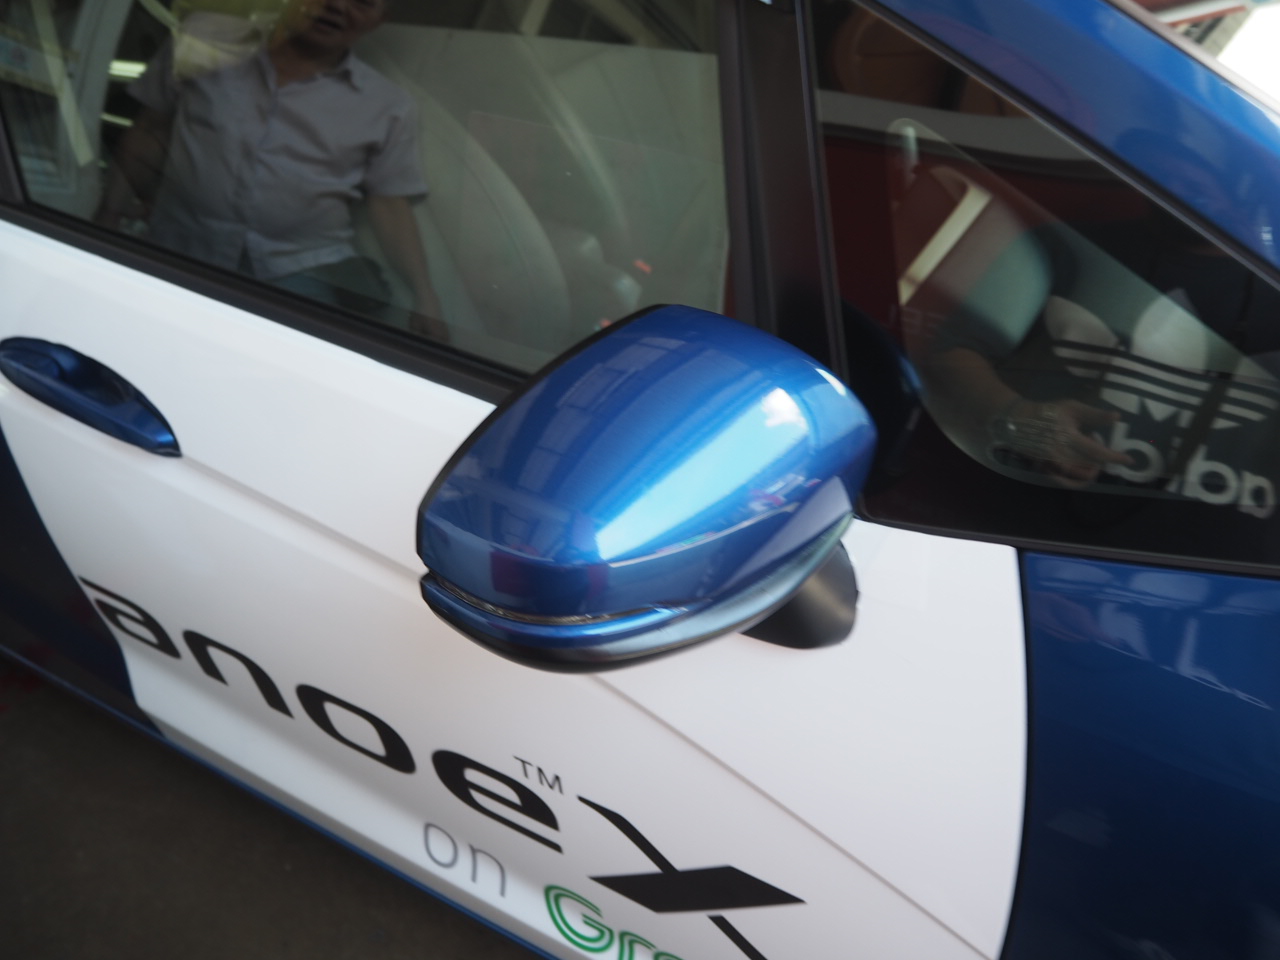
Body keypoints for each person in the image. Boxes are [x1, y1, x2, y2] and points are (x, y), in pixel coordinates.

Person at [96, 0, 446, 341]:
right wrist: (108, 217)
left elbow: (389, 202)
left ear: (379, 20)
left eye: (362, 2)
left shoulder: (387, 105)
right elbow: (150, 129)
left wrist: (425, 295)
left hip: (300, 272)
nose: (338, 5)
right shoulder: (203, 45)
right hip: (180, 251)